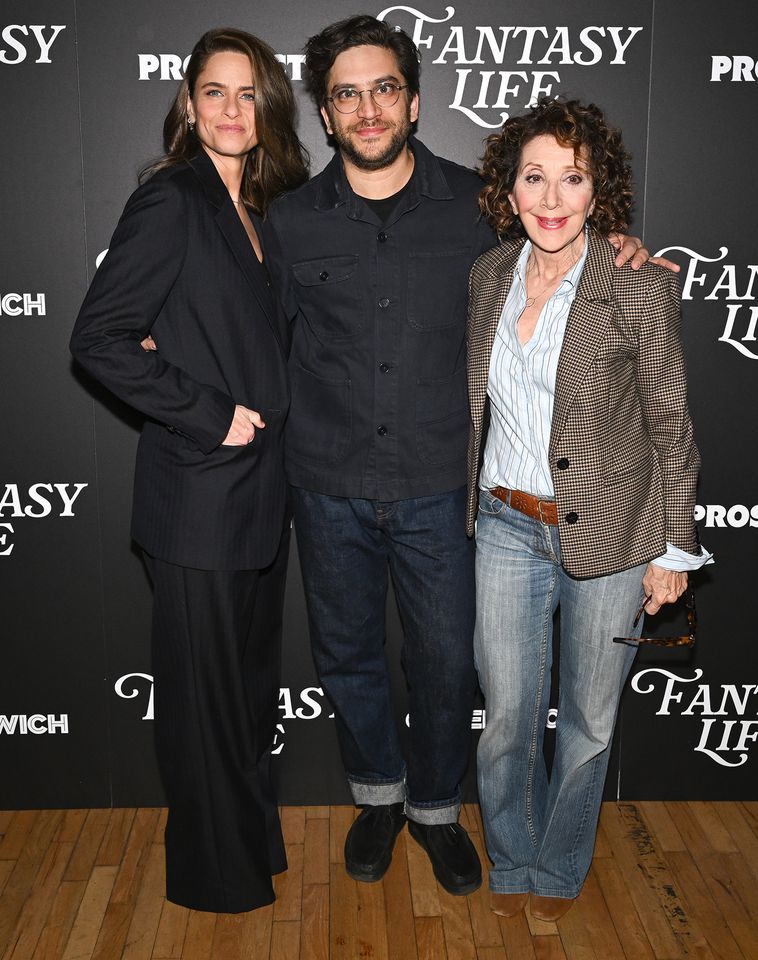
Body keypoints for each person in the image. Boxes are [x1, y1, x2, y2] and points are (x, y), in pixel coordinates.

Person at [263, 15, 658, 896]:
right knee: (348, 655)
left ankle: (436, 810)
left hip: (444, 486)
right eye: (347, 95)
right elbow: (256, 342)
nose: (369, 109)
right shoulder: (289, 223)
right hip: (325, 483)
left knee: (447, 664)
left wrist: (623, 248)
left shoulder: (481, 210)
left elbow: (564, 248)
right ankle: (377, 797)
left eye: (385, 88)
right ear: (325, 114)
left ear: (413, 100)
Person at [70, 28, 308, 913]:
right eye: (215, 91)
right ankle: (216, 881)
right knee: (206, 707)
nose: (232, 109)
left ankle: (249, 848)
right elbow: (99, 337)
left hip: (260, 497)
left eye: (248, 94)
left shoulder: (257, 210)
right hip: (199, 497)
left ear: (267, 107)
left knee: (244, 699)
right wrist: (208, 411)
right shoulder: (172, 199)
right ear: (188, 104)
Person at [466, 97, 712, 921]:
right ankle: (513, 859)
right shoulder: (488, 276)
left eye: (572, 179)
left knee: (588, 721)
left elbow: (670, 425)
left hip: (613, 534)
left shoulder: (636, 287)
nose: (551, 198)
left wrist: (673, 550)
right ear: (508, 189)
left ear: (597, 190)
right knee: (507, 715)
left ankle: (560, 866)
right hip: (505, 524)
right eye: (533, 177)